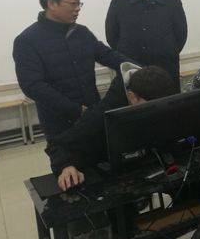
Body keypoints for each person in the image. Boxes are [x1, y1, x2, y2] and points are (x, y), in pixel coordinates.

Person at [13, 0, 131, 139]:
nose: (78, 8)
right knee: (68, 155)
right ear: (51, 3)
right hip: (60, 124)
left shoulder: (81, 33)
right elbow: (33, 86)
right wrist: (76, 110)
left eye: (79, 4)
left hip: (93, 114)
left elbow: (109, 56)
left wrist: (142, 71)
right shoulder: (27, 40)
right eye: (73, 3)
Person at [47, 65, 177, 191]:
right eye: (152, 107)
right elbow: (57, 144)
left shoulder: (155, 90)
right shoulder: (99, 116)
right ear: (132, 98)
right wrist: (66, 166)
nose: (157, 114)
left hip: (150, 164)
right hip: (114, 179)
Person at [105, 0, 188, 86]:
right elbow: (112, 37)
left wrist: (166, 52)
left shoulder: (173, 3)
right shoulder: (119, 2)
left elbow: (181, 36)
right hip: (132, 70)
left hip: (165, 70)